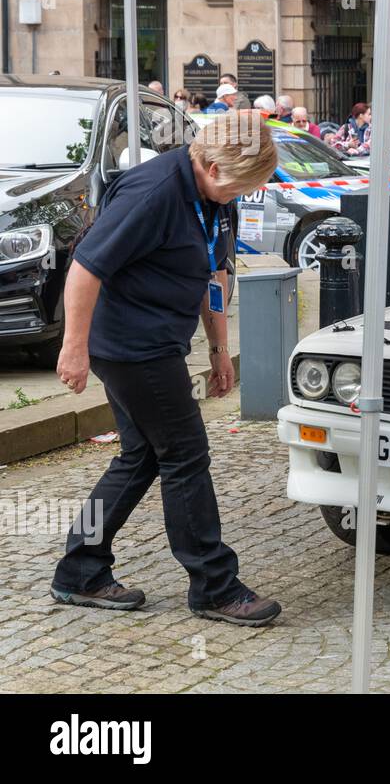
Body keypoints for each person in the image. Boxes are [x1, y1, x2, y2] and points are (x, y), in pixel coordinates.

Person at [50, 110, 282, 626]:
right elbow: (86, 267)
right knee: (184, 454)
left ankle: (79, 570)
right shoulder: (152, 193)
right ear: (216, 168)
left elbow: (212, 272)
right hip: (130, 344)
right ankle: (214, 585)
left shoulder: (215, 199)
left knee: (139, 456)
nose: (243, 197)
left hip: (158, 339)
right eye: (243, 187)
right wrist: (73, 348)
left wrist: (220, 350)